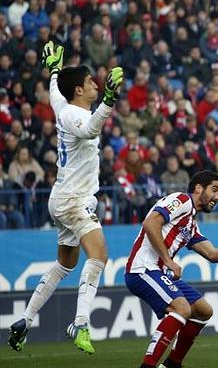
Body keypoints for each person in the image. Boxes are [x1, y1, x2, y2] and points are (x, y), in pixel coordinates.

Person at [9, 41, 124, 354]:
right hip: (74, 199)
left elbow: (54, 92)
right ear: (77, 90)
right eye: (89, 82)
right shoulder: (75, 114)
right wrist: (110, 100)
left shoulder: (63, 104)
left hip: (63, 197)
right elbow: (89, 130)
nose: (95, 85)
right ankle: (81, 323)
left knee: (65, 264)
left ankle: (25, 319)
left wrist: (54, 69)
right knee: (99, 256)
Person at [125, 170, 218, 368]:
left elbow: (213, 254)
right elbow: (151, 223)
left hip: (159, 271)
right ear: (198, 188)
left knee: (203, 310)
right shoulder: (181, 200)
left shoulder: (191, 224)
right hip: (142, 269)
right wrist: (168, 260)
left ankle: (173, 363)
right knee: (182, 308)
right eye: (215, 190)